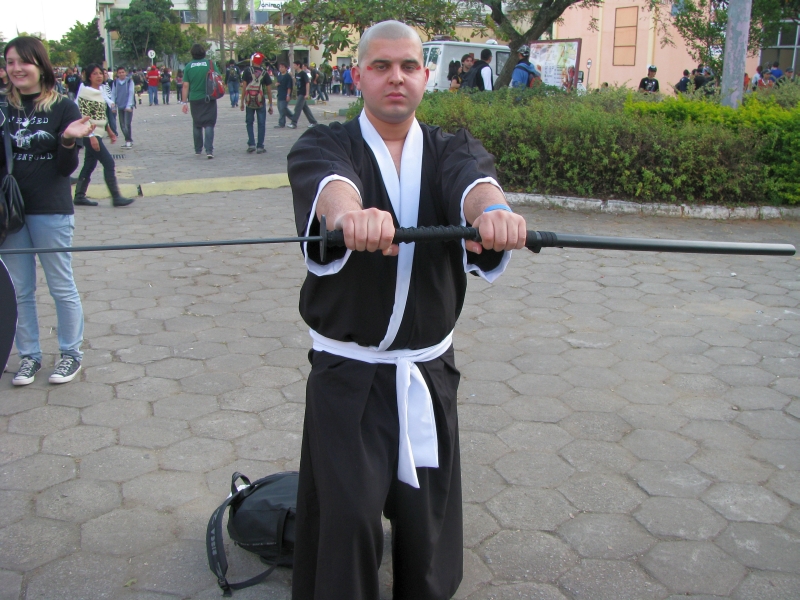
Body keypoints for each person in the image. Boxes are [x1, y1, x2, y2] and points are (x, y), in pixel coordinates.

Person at [287, 20, 525, 600]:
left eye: (408, 66)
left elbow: (475, 183)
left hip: (427, 371)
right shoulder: (325, 143)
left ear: (425, 74)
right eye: (381, 66)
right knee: (348, 519)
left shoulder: (451, 148)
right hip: (348, 378)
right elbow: (332, 187)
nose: (396, 77)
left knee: (428, 525)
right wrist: (349, 217)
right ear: (358, 75)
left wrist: (493, 212)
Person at [0, 36, 97, 386]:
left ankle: (71, 353)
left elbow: (65, 168)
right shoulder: (2, 108)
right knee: (18, 290)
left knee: (60, 285)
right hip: (9, 213)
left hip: (51, 209)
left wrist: (68, 139)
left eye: (23, 62)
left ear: (40, 66)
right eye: (10, 62)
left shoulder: (63, 107)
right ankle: (29, 356)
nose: (16, 69)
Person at [73, 64, 134, 208]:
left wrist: (109, 130)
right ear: (89, 76)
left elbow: (100, 115)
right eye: (95, 74)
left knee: (89, 164)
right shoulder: (85, 92)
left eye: (100, 73)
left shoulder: (100, 91)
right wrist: (92, 136)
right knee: (108, 162)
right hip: (89, 134)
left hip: (97, 133)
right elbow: (84, 116)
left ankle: (79, 196)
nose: (99, 76)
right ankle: (116, 197)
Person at [181, 43, 220, 159]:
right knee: (209, 123)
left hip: (195, 99)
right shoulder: (210, 64)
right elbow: (218, 78)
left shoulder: (188, 66)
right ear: (203, 52)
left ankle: (198, 149)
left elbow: (185, 86)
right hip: (209, 97)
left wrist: (184, 102)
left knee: (197, 123)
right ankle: (209, 150)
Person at [240, 52, 273, 153]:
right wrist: (270, 104)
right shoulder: (264, 73)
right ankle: (260, 146)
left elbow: (244, 87)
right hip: (260, 101)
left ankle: (251, 144)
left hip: (249, 101)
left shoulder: (247, 71)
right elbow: (269, 90)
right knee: (261, 123)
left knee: (249, 122)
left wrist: (242, 102)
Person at [288, 60, 318, 129]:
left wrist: (307, 93)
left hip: (303, 93)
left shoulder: (303, 74)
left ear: (298, 65)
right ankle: (313, 122)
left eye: (294, 65)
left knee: (297, 108)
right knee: (305, 109)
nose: (293, 66)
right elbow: (297, 82)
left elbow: (307, 83)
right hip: (299, 92)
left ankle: (294, 123)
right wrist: (292, 76)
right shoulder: (297, 74)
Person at [111, 66, 135, 148]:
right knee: (122, 124)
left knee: (127, 124)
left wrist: (129, 105)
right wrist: (113, 106)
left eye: (123, 72)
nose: (121, 74)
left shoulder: (129, 81)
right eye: (119, 73)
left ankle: (128, 141)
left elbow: (131, 93)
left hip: (128, 106)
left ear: (125, 73)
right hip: (120, 105)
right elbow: (113, 94)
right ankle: (128, 139)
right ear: (117, 74)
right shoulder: (115, 83)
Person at [273, 62, 293, 128]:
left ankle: (284, 122)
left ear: (286, 68)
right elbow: (278, 83)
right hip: (280, 94)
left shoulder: (288, 76)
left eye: (282, 67)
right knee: (281, 109)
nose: (281, 68)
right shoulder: (279, 76)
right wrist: (276, 84)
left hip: (285, 94)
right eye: (280, 67)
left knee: (283, 108)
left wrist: (288, 95)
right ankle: (291, 119)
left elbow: (289, 87)